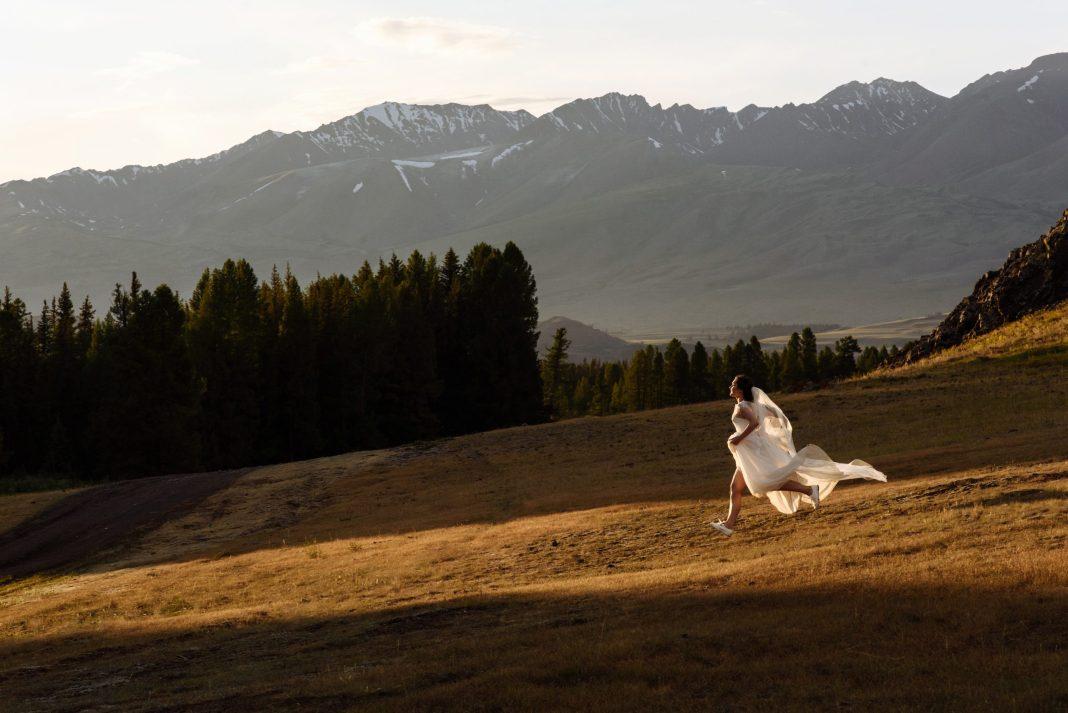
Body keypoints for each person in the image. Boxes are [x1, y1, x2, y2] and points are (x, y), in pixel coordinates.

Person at [711, 374, 886, 537]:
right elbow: (773, 414)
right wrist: (768, 434)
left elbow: (755, 423)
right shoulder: (755, 405)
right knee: (736, 488)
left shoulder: (742, 407)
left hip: (753, 453)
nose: (730, 386)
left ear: (740, 389)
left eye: (733, 384)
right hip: (749, 454)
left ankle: (810, 490)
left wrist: (740, 438)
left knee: (767, 482)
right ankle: (729, 525)